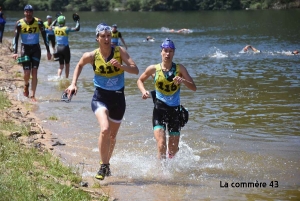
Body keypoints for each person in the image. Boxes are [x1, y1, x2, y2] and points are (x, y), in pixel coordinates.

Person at [64, 23, 138, 180]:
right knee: (104, 129)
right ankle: (103, 166)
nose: (106, 39)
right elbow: (79, 65)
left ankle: (106, 164)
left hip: (118, 98)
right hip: (100, 97)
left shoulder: (119, 52)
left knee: (112, 136)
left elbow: (135, 69)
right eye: (103, 36)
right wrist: (73, 83)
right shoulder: (91, 56)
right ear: (97, 38)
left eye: (109, 36)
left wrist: (121, 66)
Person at [137, 38, 197, 160]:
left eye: (170, 51)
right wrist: (143, 92)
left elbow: (194, 88)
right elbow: (140, 80)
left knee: (172, 150)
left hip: (175, 111)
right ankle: (161, 174)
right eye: (165, 50)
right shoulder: (153, 69)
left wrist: (183, 80)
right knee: (161, 144)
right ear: (161, 52)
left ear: (174, 53)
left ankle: (174, 153)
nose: (168, 54)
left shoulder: (180, 69)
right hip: (159, 109)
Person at [12, 5, 51, 102]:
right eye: (26, 12)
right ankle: (26, 84)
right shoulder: (19, 23)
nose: (28, 13)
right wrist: (15, 52)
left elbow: (44, 36)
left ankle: (33, 95)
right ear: (24, 12)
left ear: (32, 12)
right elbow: (15, 38)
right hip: (25, 48)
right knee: (26, 73)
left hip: (36, 48)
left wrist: (48, 51)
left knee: (34, 71)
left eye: (30, 11)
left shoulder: (39, 22)